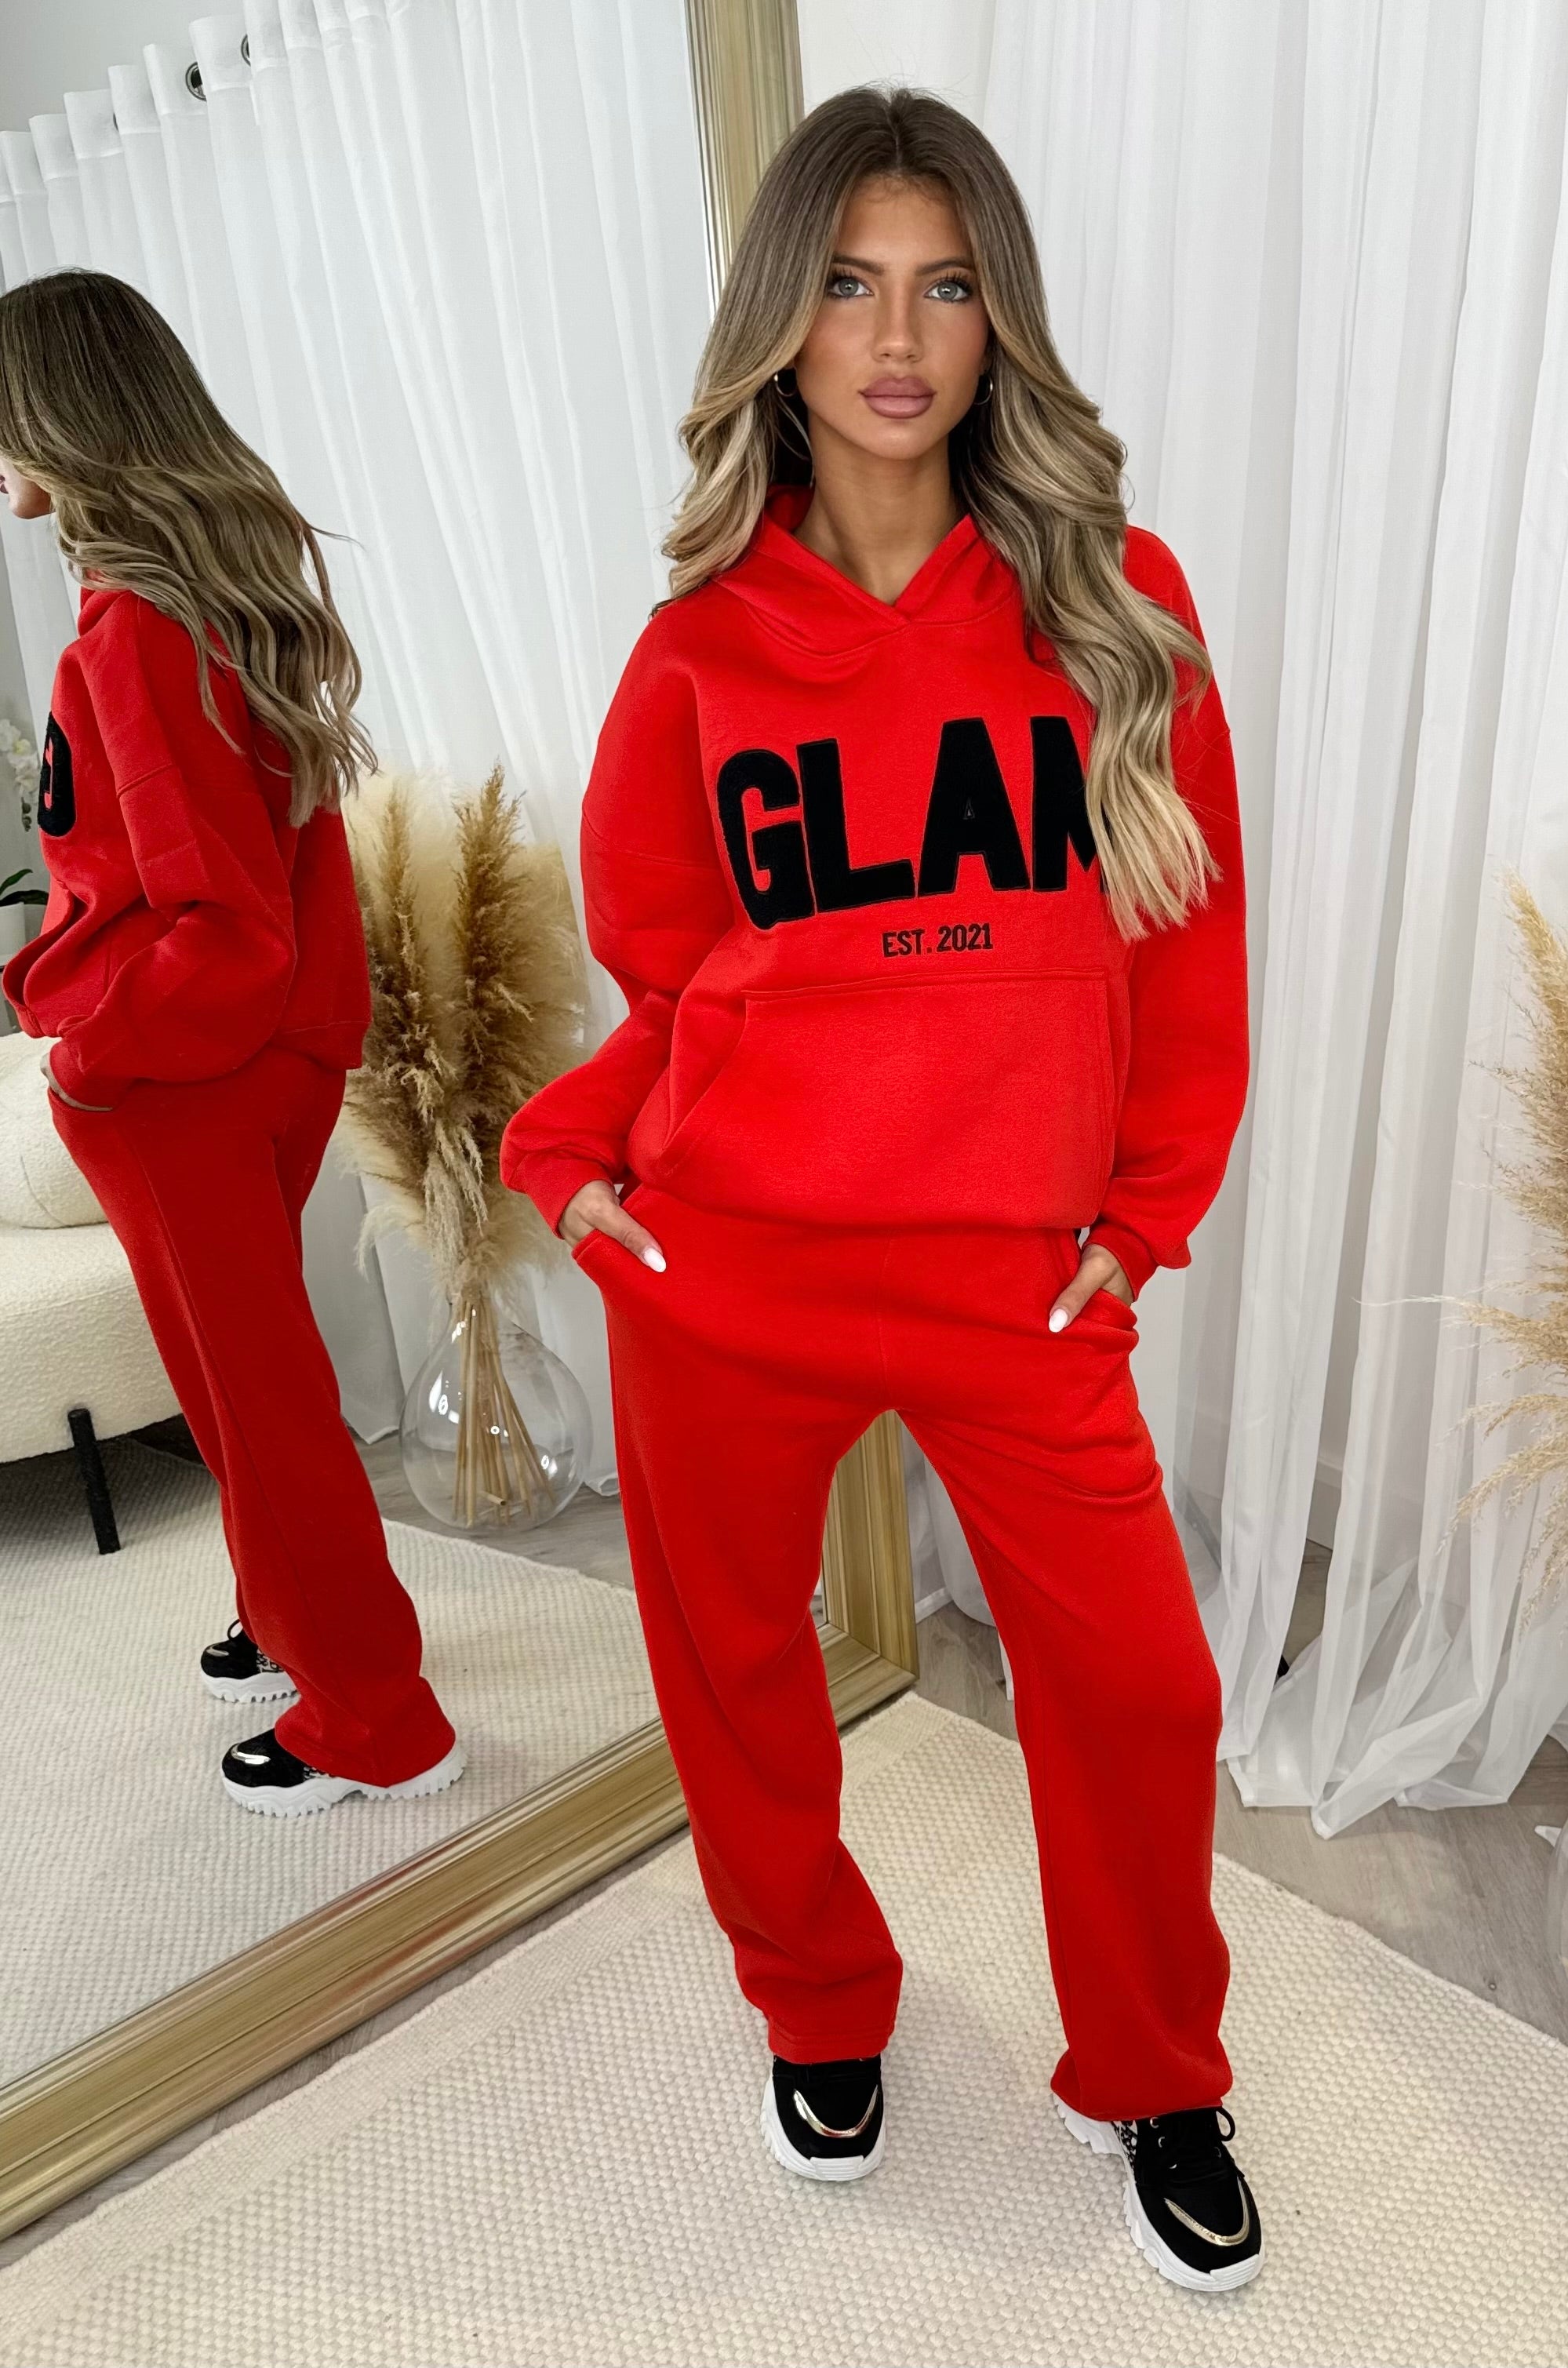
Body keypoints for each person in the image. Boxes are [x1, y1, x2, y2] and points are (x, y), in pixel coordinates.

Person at [500, 89, 1257, 2291]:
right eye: (846, 286)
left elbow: (1189, 952)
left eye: (944, 286)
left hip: (1017, 1277)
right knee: (733, 1670)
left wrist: (1143, 1215)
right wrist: (570, 1161)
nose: (898, 338)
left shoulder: (1116, 605)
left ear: (999, 319)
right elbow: (679, 980)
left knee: (1143, 1688)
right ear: (783, 323)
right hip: (732, 1264)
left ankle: (1156, 2062)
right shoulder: (699, 653)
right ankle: (819, 2002)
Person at [0, 269, 461, 1818]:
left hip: (182, 1073)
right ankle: (289, 1617)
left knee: (255, 1403)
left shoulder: (135, 632)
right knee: (244, 1385)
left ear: (62, 418)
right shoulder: (213, 599)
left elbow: (224, 924)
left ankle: (374, 1717)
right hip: (261, 1061)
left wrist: (88, 1051)